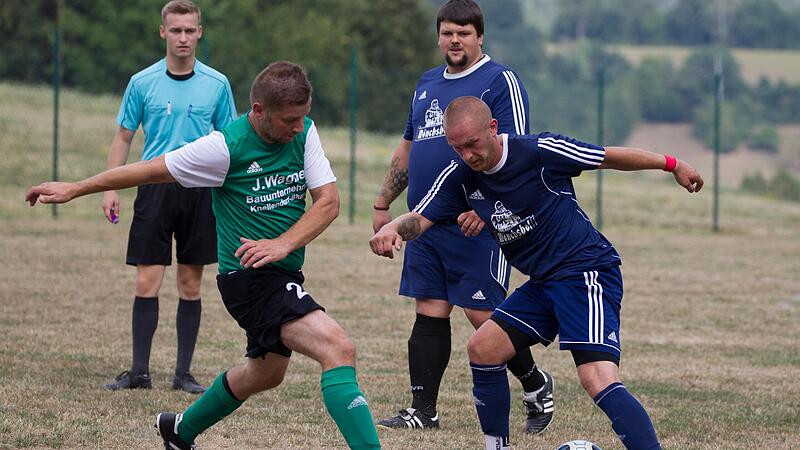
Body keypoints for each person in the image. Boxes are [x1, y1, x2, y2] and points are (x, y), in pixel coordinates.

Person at [27, 61, 381, 450]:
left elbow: (328, 202)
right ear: (258, 111)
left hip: (281, 272)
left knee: (265, 374)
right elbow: (147, 171)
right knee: (338, 347)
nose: (297, 127)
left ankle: (180, 429)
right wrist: (76, 188)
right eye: (288, 120)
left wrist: (283, 243)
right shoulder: (223, 148)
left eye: (302, 117)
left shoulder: (304, 133)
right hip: (249, 280)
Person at [370, 96, 704, 450]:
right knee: (483, 348)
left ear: (493, 128)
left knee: (596, 377)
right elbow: (422, 218)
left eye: (472, 144)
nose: (467, 155)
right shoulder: (462, 176)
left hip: (584, 270)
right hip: (543, 283)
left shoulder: (540, 151)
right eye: (458, 148)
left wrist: (671, 164)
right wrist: (392, 227)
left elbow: (608, 157)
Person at [371, 0, 553, 433]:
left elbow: (515, 152)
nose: (455, 40)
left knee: (483, 316)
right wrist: (384, 205)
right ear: (439, 36)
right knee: (429, 308)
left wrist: (483, 209)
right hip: (425, 219)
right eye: (448, 32)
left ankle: (535, 383)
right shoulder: (427, 84)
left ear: (480, 37)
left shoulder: (499, 80)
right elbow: (408, 148)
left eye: (464, 33)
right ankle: (424, 411)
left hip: (476, 224)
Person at [101, 0, 238, 394]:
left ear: (200, 33)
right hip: (154, 189)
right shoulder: (142, 82)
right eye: (175, 30)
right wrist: (111, 186)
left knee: (190, 284)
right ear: (163, 32)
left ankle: (184, 375)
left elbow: (231, 142)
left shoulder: (217, 84)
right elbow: (124, 136)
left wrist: (233, 195)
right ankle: (139, 373)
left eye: (189, 30)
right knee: (146, 281)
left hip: (199, 194)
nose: (183, 37)